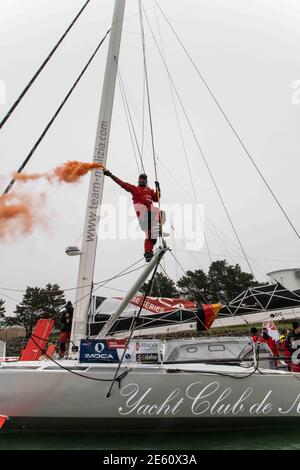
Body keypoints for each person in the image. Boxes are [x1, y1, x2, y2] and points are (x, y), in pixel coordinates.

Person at [103, 170, 162, 262]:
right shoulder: (134, 189)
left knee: (151, 237)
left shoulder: (149, 191)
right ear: (138, 180)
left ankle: (148, 253)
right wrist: (111, 175)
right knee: (156, 213)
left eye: (144, 179)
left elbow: (157, 198)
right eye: (141, 179)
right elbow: (122, 184)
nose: (142, 180)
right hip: (143, 215)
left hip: (151, 217)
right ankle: (157, 228)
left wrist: (158, 187)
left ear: (146, 181)